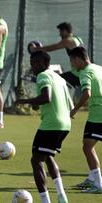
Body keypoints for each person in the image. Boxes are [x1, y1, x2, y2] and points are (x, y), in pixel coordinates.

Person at [16, 51, 72, 203]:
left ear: (41, 63)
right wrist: (36, 104)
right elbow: (69, 104)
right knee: (47, 156)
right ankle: (61, 196)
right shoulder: (58, 78)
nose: (32, 67)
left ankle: (45, 200)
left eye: (33, 63)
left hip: (51, 125)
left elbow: (46, 98)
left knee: (36, 160)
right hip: (65, 124)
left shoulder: (42, 76)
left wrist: (24, 101)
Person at [69, 47, 102, 193]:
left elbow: (86, 93)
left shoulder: (85, 72)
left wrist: (74, 109)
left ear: (78, 59)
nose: (72, 64)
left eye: (72, 61)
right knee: (88, 145)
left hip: (98, 115)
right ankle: (92, 179)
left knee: (87, 147)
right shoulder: (98, 68)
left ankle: (99, 184)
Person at [30, 22, 84, 89]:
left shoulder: (68, 40)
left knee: (55, 80)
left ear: (65, 31)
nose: (60, 35)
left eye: (61, 32)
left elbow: (52, 48)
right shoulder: (77, 38)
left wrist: (35, 49)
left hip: (77, 74)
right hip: (82, 73)